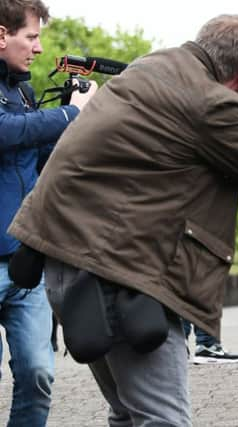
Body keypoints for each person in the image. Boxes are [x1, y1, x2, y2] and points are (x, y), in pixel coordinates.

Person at [8, 14, 238, 426]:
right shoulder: (212, 102)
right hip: (118, 276)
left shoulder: (149, 68)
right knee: (163, 418)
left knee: (129, 413)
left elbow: (189, 152)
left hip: (64, 261)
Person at [0, 1, 96, 425]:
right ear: (1, 35)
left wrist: (78, 124)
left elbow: (40, 158)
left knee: (38, 374)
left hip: (25, 260)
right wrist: (70, 113)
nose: (38, 49)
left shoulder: (23, 91)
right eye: (31, 37)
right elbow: (5, 133)